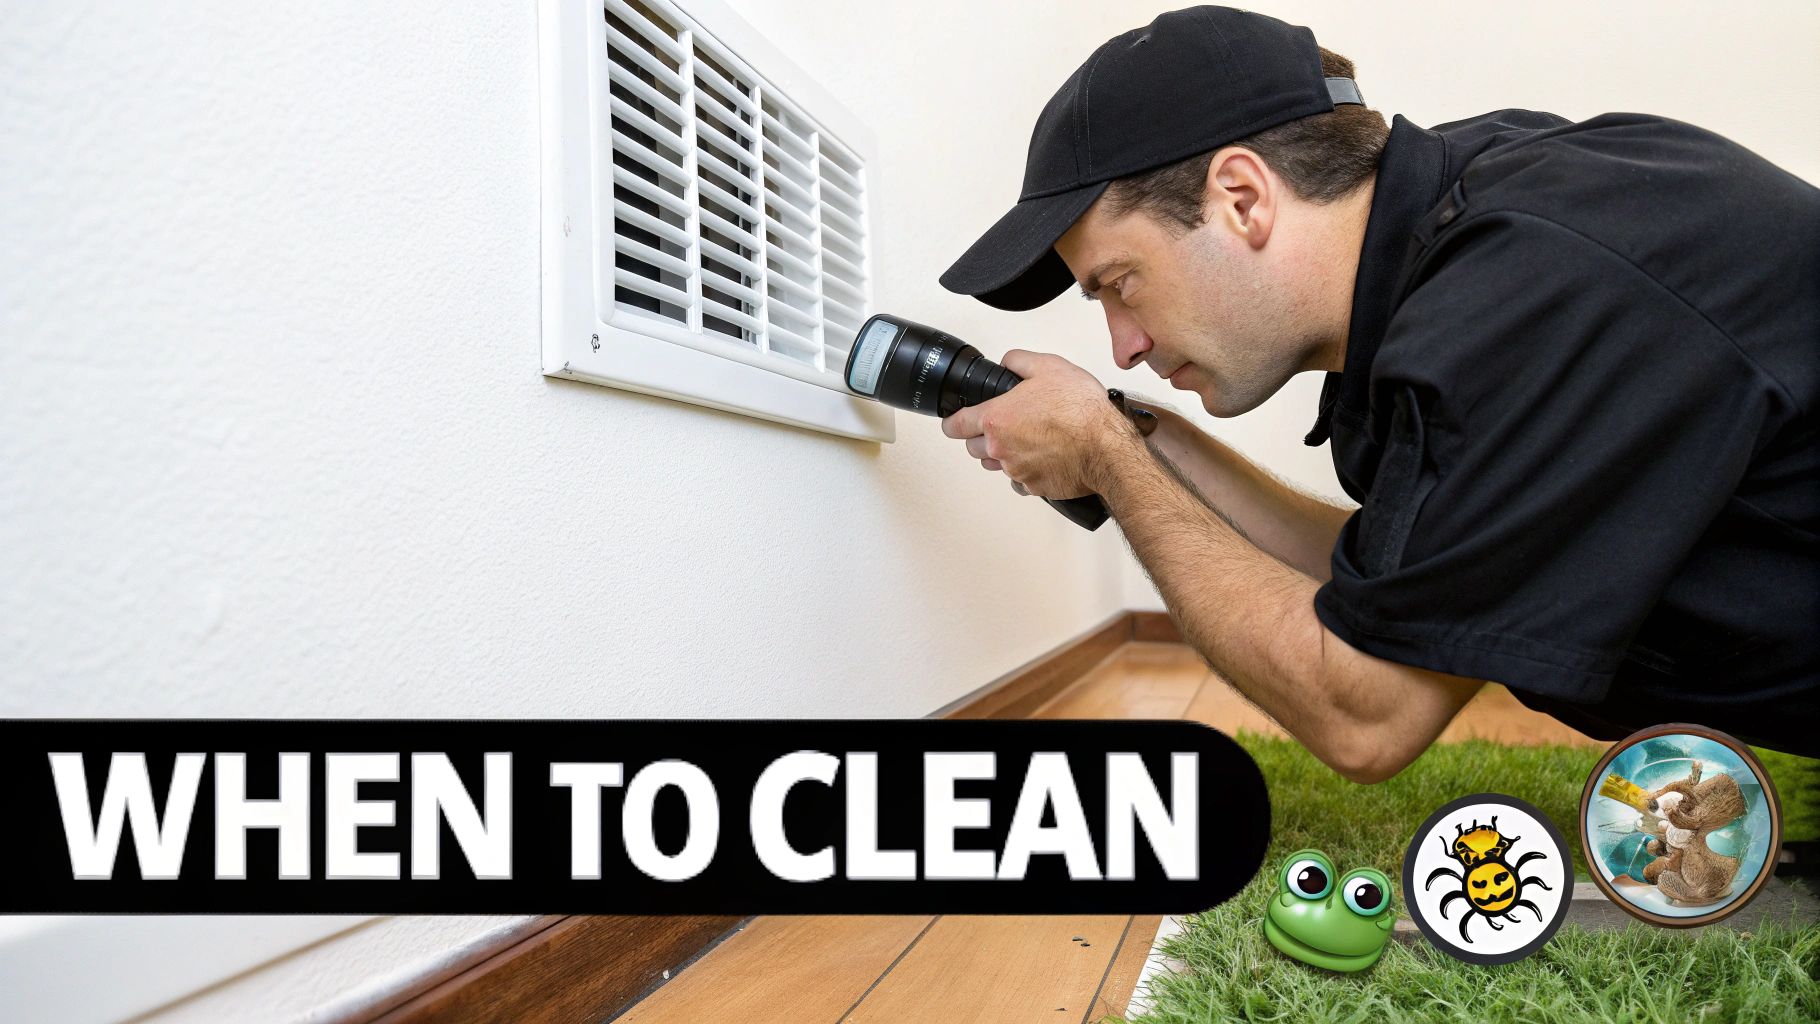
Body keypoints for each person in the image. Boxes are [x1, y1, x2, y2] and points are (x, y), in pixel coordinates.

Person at [936, 6, 1820, 778]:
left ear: (1242, 197)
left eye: (1118, 283)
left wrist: (1105, 453)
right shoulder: (1457, 242)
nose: (1123, 349)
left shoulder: (1531, 289)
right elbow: (1406, 598)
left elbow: (1367, 710)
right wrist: (1147, 442)